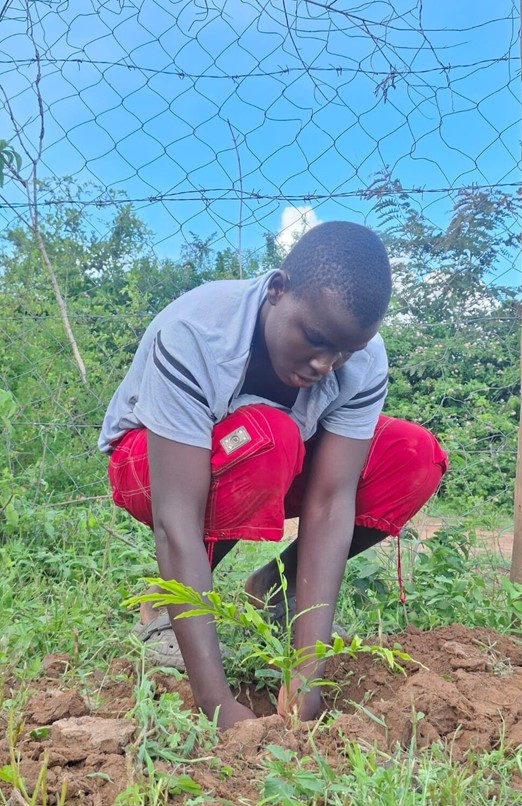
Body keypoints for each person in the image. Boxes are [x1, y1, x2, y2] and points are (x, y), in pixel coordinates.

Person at [99, 221, 447, 730]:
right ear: (278, 289)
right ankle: (164, 610)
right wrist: (216, 702)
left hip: (273, 458)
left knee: (411, 453)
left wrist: (310, 672)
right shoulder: (198, 333)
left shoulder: (361, 358)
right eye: (315, 339)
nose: (325, 364)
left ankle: (271, 589)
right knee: (269, 435)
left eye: (344, 351)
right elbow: (177, 517)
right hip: (151, 464)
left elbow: (331, 502)